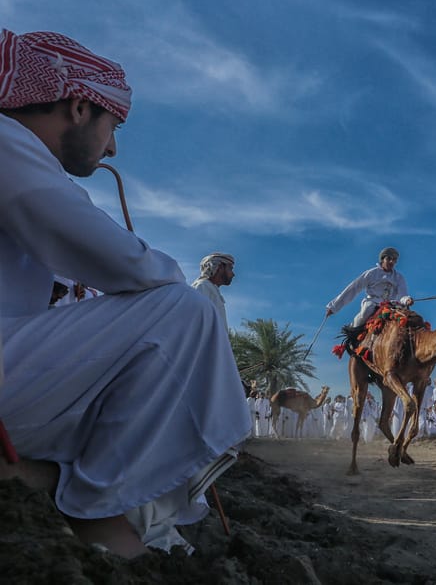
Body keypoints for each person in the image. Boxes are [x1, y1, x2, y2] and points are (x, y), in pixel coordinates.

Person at [0, 29, 250, 557]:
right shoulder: (7, 142)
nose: (112, 146)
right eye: (114, 124)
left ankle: (60, 479)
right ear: (79, 107)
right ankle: (95, 504)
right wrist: (158, 273)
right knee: (183, 311)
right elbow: (120, 261)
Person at [324, 247, 412, 328]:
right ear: (382, 259)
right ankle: (353, 332)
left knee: (406, 319)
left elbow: (402, 295)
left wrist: (407, 300)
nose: (391, 262)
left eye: (394, 260)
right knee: (366, 311)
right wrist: (334, 307)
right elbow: (354, 288)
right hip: (373, 302)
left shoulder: (399, 278)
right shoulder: (372, 273)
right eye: (389, 259)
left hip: (391, 306)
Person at [191, 252, 235, 332]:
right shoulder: (202, 286)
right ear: (220, 267)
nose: (233, 274)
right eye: (230, 268)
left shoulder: (212, 289)